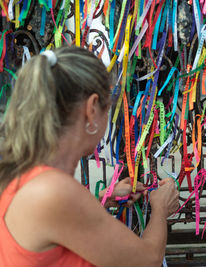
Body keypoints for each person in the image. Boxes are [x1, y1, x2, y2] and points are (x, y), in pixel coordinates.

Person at [0, 46, 180, 267]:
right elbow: (148, 260)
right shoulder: (54, 191)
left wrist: (100, 199)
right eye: (108, 109)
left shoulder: (29, 175)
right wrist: (161, 207)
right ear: (92, 109)